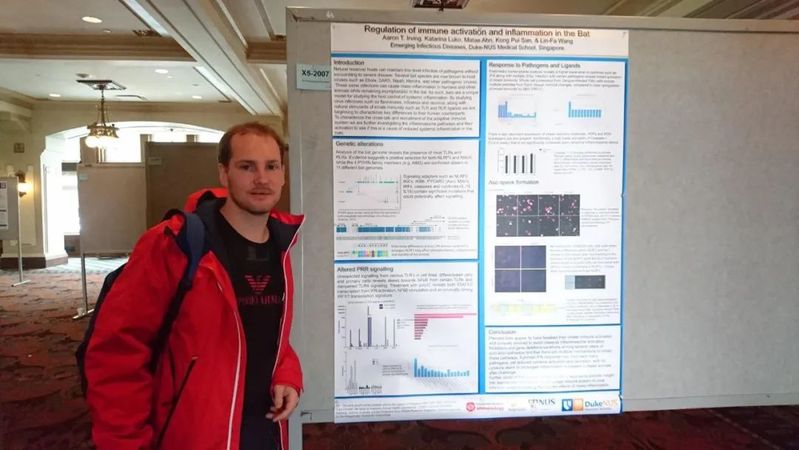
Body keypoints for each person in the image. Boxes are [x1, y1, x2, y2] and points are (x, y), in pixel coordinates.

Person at [84, 122, 304, 450]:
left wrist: (287, 373)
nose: (262, 179)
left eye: (271, 166)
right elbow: (117, 353)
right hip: (194, 434)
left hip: (264, 428)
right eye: (247, 167)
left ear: (283, 174)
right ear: (223, 172)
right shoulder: (175, 244)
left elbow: (267, 334)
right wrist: (125, 443)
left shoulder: (281, 245)